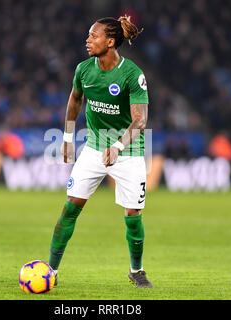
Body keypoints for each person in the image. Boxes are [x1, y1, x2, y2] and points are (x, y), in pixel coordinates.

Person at [48, 15, 153, 288]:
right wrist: (68, 137)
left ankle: (136, 270)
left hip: (128, 151)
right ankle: (51, 270)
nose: (88, 40)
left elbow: (140, 120)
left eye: (93, 36)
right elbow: (75, 99)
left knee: (132, 215)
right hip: (94, 150)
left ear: (110, 41)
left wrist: (118, 146)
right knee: (70, 209)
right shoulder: (84, 69)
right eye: (88, 35)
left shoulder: (132, 74)